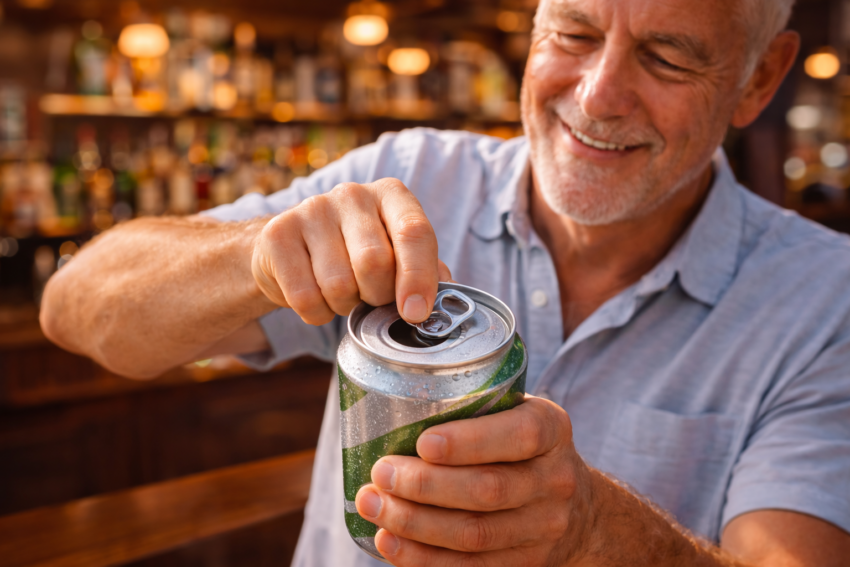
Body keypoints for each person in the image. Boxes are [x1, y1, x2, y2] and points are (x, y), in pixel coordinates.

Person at [40, 0, 850, 564]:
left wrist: (593, 535)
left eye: (668, 55)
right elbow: (77, 309)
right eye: (571, 32)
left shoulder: (825, 301)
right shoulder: (408, 172)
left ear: (758, 79)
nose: (597, 96)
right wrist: (256, 256)